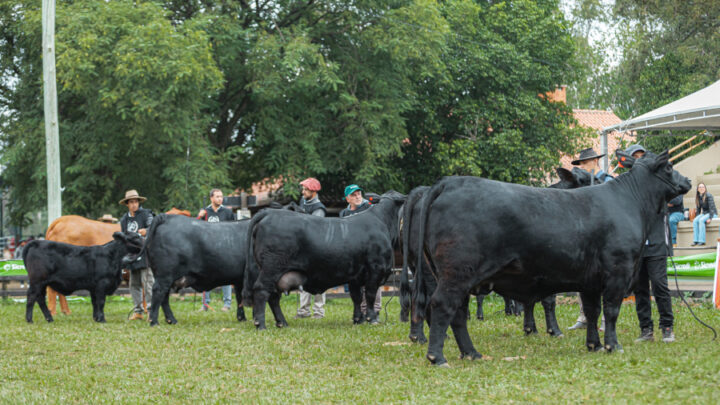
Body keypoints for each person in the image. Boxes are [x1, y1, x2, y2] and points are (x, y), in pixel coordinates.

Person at [625, 144, 675, 343]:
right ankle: (646, 329)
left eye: (642, 157)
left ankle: (667, 327)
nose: (639, 160)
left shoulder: (659, 182)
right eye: (635, 158)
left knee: (660, 285)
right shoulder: (627, 187)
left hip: (656, 243)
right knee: (640, 289)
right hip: (636, 246)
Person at [567, 148, 613, 331]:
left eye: (585, 163)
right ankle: (584, 316)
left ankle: (604, 320)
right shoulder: (581, 183)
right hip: (585, 235)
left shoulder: (608, 181)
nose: (582, 167)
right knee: (583, 276)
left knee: (606, 278)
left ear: (594, 161)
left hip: (605, 236)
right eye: (581, 164)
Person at [339, 184, 381, 317]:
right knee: (356, 281)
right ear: (347, 199)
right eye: (353, 194)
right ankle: (361, 310)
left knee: (373, 279)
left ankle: (375, 309)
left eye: (358, 193)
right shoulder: (344, 213)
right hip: (353, 253)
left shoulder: (370, 208)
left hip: (370, 251)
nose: (357, 196)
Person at [197, 189, 236, 312]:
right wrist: (199, 216)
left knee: (227, 276)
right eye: (217, 196)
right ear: (211, 198)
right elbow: (195, 228)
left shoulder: (228, 212)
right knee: (205, 276)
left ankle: (227, 304)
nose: (220, 199)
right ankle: (205, 304)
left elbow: (234, 229)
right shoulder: (205, 212)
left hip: (224, 248)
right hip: (207, 249)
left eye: (221, 196)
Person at [295, 178, 328, 319]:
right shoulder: (303, 203)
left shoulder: (319, 209)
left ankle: (319, 312)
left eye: (306, 190)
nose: (303, 192)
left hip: (317, 249)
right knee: (303, 280)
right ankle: (303, 311)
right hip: (303, 249)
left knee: (319, 280)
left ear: (313, 191)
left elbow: (314, 229)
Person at [119, 190, 154, 320]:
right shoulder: (124, 219)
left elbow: (154, 227)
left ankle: (151, 311)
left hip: (145, 253)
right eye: (131, 202)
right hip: (132, 255)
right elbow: (123, 237)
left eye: (136, 201)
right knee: (133, 284)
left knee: (148, 283)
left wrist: (146, 231)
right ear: (127, 204)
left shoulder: (146, 214)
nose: (134, 204)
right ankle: (138, 311)